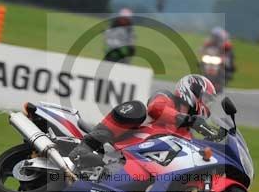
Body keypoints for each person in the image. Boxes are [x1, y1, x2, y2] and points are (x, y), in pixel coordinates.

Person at [68, 74, 219, 173]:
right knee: (137, 109)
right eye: (205, 99)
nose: (207, 105)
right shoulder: (166, 97)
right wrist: (190, 119)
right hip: (120, 143)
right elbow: (155, 108)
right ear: (192, 90)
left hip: (140, 164)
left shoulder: (186, 132)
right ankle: (83, 148)